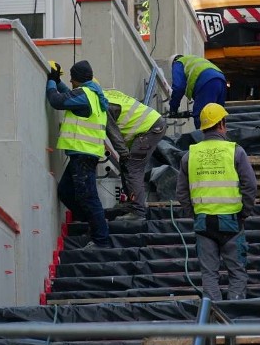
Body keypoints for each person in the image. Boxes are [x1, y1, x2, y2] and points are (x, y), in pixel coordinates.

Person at [175, 103, 257, 301]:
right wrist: (244, 213)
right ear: (221, 123)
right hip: (231, 221)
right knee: (237, 273)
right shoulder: (235, 151)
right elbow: (250, 186)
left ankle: (214, 318)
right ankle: (234, 318)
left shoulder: (190, 155)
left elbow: (181, 192)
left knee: (209, 275)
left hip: (204, 222)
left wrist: (193, 214)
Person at [45, 60, 113, 249]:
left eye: (71, 79)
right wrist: (57, 81)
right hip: (85, 153)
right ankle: (95, 224)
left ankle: (101, 239)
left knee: (88, 197)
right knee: (66, 191)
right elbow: (69, 93)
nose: (70, 82)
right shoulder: (91, 94)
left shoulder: (85, 96)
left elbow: (57, 101)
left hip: (83, 153)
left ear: (76, 79)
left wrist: (51, 81)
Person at [104, 88, 167, 221]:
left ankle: (138, 211)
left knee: (133, 167)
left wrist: (123, 153)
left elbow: (113, 134)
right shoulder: (108, 93)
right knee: (126, 163)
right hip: (150, 125)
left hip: (149, 129)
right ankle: (132, 204)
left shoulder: (103, 104)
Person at [169, 55, 227, 130]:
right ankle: (220, 139)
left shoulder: (178, 63)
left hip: (206, 82)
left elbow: (179, 87)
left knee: (201, 115)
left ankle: (204, 140)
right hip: (221, 80)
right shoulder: (193, 59)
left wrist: (173, 109)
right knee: (218, 115)